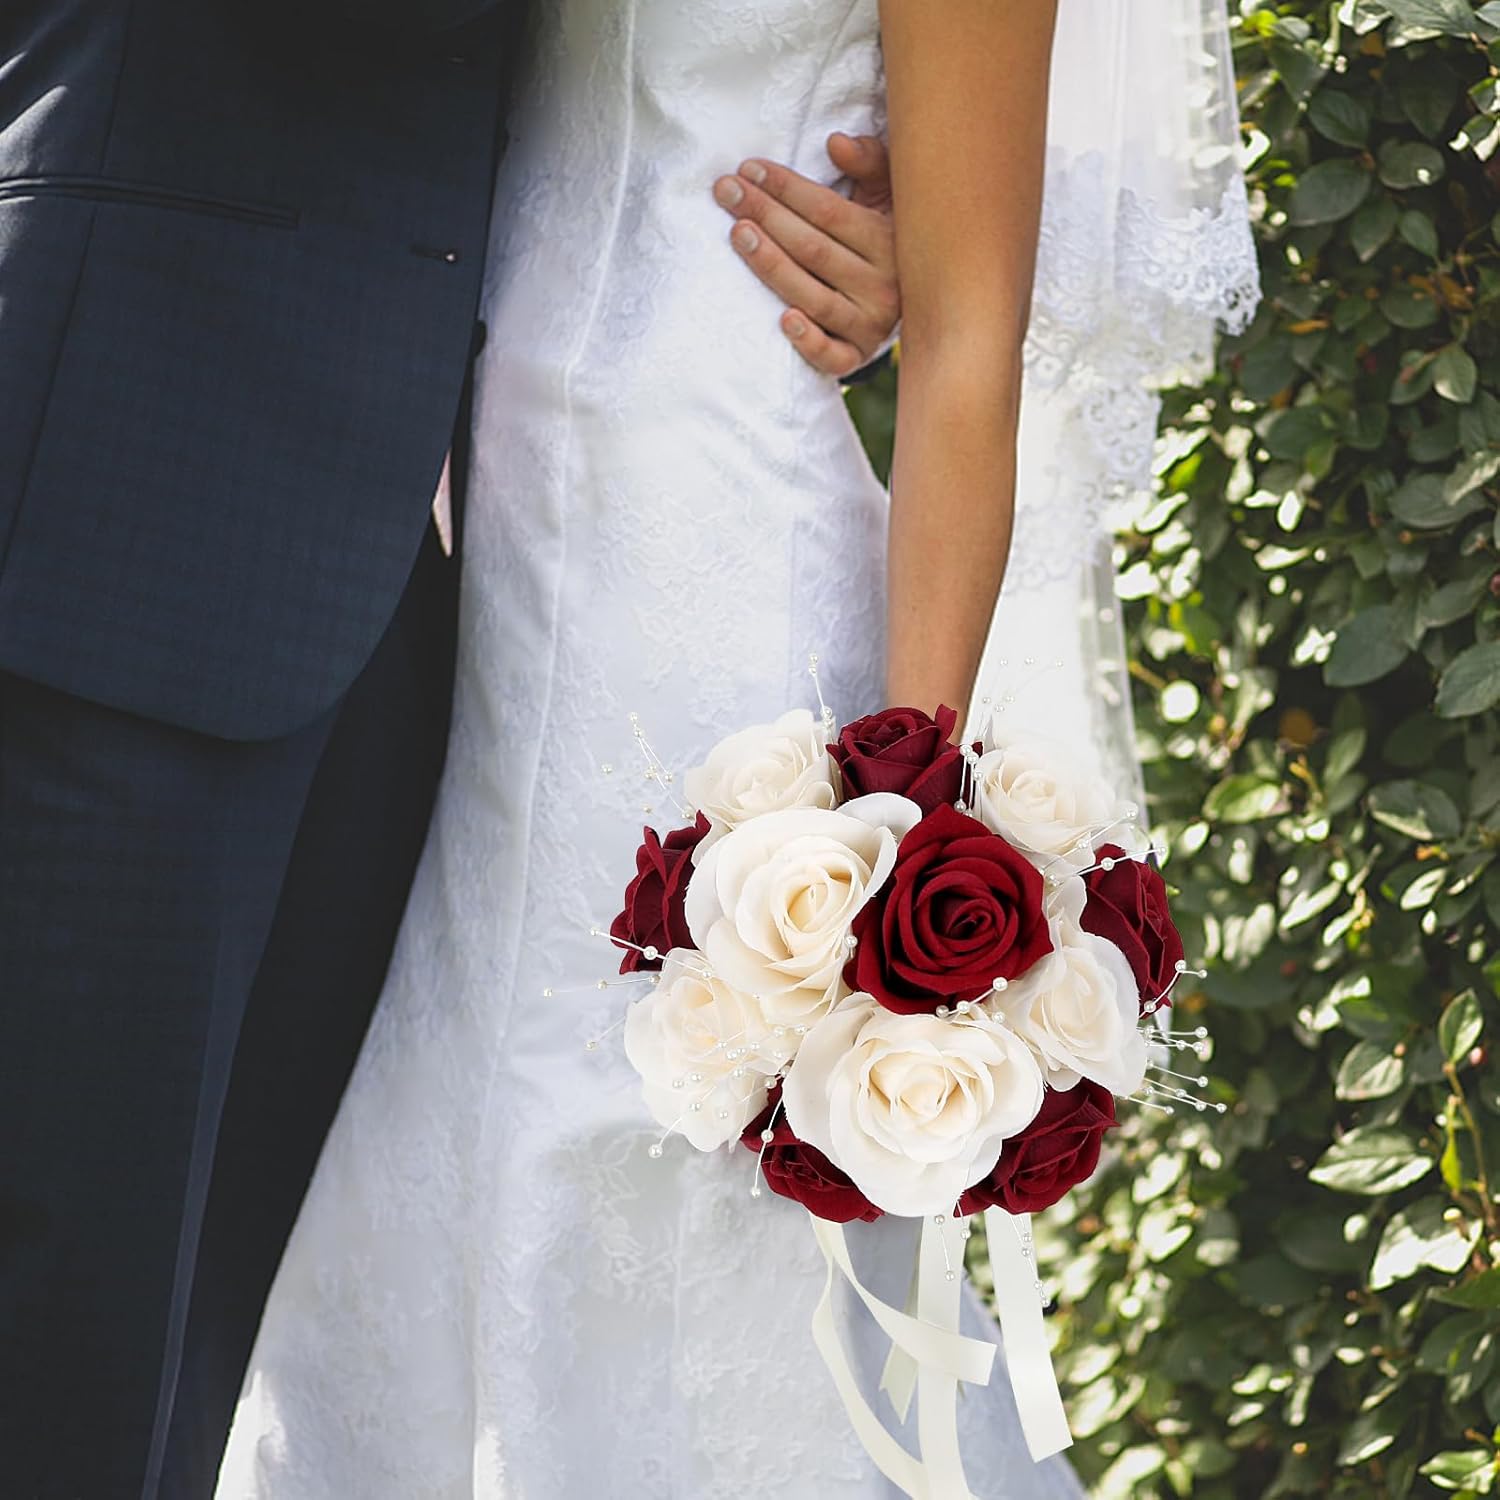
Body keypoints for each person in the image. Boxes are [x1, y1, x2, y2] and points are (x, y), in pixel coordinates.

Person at [0, 6, 905, 1496]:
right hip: (125, 492)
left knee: (180, 1365)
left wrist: (847, 194)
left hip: (407, 598)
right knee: (60, 1330)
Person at [218, 2, 1094, 1497]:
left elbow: (967, 339)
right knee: (433, 1131)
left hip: (730, 547)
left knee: (668, 1138)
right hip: (473, 553)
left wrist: (903, 818)